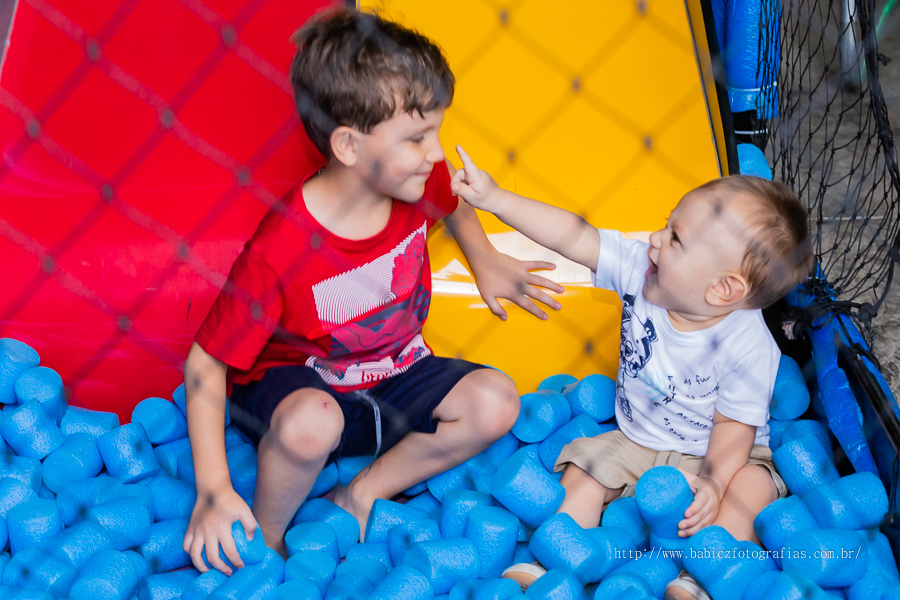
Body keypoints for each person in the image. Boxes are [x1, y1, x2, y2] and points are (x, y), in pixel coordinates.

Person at [180, 8, 565, 574]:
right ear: (349, 146)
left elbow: (453, 202)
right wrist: (213, 486)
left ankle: (361, 493)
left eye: (435, 131)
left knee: (496, 403)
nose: (436, 153)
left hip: (395, 373)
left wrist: (487, 262)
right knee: (313, 422)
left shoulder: (414, 181)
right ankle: (265, 537)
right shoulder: (282, 249)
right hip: (307, 387)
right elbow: (205, 363)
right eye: (417, 136)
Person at [450, 146, 813, 600]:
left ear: (723, 289)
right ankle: (554, 562)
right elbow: (573, 235)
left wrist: (715, 482)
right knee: (584, 470)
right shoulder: (641, 264)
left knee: (751, 488)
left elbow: (733, 426)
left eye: (675, 237)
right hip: (637, 439)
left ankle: (701, 578)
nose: (656, 239)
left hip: (713, 453)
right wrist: (498, 199)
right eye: (667, 223)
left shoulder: (749, 346)